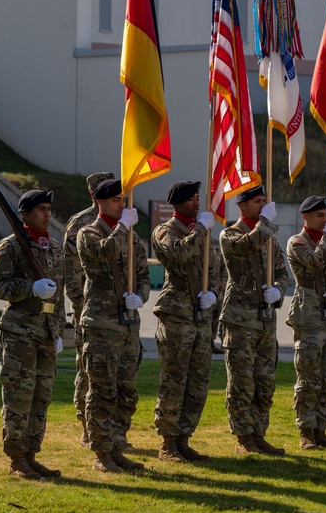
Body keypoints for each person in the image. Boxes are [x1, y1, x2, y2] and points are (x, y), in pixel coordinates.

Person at [76, 179, 150, 473]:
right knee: (102, 391)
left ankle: (117, 446)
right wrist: (122, 228)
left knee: (126, 391)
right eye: (115, 200)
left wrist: (140, 296)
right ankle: (101, 452)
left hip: (128, 323)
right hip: (102, 323)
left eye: (123, 200)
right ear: (100, 202)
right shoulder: (88, 233)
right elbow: (104, 253)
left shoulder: (131, 236)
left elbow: (143, 275)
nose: (121, 205)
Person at [0, 189, 65, 480]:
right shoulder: (10, 246)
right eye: (41, 210)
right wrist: (30, 288)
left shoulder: (53, 247)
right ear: (25, 215)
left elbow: (57, 295)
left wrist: (57, 330)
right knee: (19, 398)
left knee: (40, 398)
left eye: (49, 209)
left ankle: (31, 455)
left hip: (45, 334)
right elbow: (0, 288)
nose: (47, 214)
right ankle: (16, 458)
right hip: (19, 333)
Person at [151, 180, 219, 463]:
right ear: (177, 202)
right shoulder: (165, 230)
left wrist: (213, 293)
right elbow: (178, 253)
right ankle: (167, 442)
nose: (196, 202)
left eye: (197, 197)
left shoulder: (203, 232)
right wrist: (200, 229)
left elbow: (216, 268)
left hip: (201, 316)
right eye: (191, 198)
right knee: (175, 379)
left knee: (198, 380)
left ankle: (184, 438)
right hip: (177, 313)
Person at [219, 184, 289, 456]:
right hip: (240, 318)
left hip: (265, 319)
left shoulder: (270, 238)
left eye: (264, 201)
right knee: (242, 382)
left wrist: (278, 290)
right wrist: (266, 224)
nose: (262, 205)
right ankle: (244, 437)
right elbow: (245, 247)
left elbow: (282, 273)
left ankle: (259, 434)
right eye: (257, 201)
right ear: (242, 206)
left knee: (265, 381)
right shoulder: (230, 234)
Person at [286, 195, 326, 450]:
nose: (324, 220)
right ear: (306, 217)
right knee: (309, 379)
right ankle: (306, 432)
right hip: (309, 317)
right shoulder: (297, 242)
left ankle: (321, 429)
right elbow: (314, 262)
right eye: (319, 215)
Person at [62, 171, 115, 447]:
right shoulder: (81, 223)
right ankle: (86, 425)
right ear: (94, 193)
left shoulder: (120, 218)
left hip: (115, 306)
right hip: (89, 305)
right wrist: (78, 303)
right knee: (87, 366)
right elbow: (71, 268)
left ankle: (111, 428)